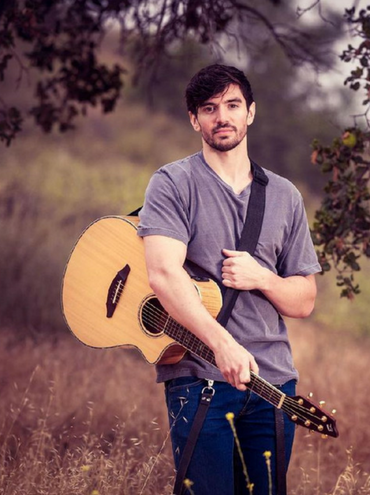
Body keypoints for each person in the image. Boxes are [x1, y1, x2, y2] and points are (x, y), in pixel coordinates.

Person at [136, 64, 321, 495]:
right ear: (194, 119)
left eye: (233, 105)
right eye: (210, 108)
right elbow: (162, 273)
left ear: (250, 113)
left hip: (273, 384)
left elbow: (304, 301)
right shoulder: (173, 183)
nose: (223, 116)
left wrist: (262, 278)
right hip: (198, 374)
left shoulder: (284, 196)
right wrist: (223, 346)